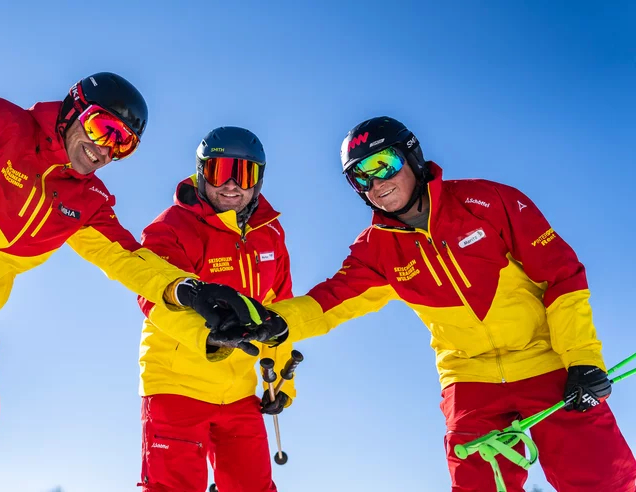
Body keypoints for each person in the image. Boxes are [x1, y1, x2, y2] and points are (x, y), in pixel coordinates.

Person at [0, 72, 264, 491]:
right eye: (103, 128)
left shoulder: (86, 200)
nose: (104, 150)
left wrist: (190, 291)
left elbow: (128, 258)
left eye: (123, 144)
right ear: (72, 108)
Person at [232, 116, 636, 491]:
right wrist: (268, 322)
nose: (375, 183)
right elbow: (329, 303)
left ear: (412, 156)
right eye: (360, 177)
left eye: (383, 164)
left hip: (545, 360)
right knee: (476, 481)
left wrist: (582, 358)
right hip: (468, 376)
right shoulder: (377, 250)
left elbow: (561, 277)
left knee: (603, 475)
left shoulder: (489, 203)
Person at [136, 127, 295, 492]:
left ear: (259, 181)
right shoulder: (172, 227)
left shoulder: (269, 234)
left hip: (239, 391)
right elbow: (152, 296)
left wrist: (284, 382)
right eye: (220, 170)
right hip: (177, 385)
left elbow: (280, 311)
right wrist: (210, 336)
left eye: (245, 174)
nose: (232, 185)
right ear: (201, 172)